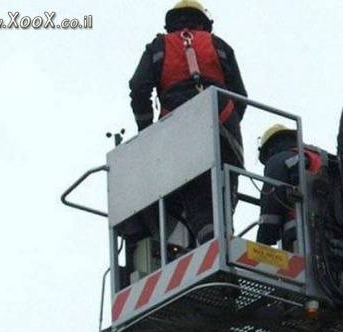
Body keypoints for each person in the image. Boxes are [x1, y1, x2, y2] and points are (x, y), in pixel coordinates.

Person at [129, 0, 247, 245]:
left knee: (194, 191)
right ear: (204, 22)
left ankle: (206, 246)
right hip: (225, 121)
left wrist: (146, 130)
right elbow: (241, 95)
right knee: (224, 192)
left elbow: (138, 87)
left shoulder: (158, 47)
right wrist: (228, 125)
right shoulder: (219, 46)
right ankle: (223, 242)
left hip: (178, 127)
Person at [256, 124, 322, 251]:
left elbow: (272, 203)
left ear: (270, 148)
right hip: (334, 239)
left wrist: (262, 245)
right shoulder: (317, 157)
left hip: (299, 235)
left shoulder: (277, 160)